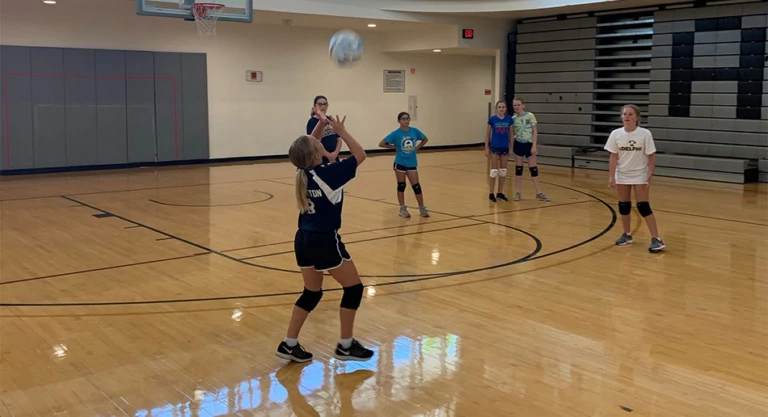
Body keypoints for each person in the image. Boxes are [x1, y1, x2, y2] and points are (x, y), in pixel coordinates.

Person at [276, 111, 374, 363]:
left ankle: (289, 343)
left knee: (312, 293)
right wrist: (342, 133)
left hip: (303, 239)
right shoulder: (329, 175)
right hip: (324, 241)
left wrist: (321, 123)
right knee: (354, 289)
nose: (320, 139)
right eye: (318, 142)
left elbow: (308, 142)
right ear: (317, 152)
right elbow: (361, 155)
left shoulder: (303, 172)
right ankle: (345, 345)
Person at [605, 104, 666, 253]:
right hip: (623, 174)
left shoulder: (645, 134)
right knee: (624, 206)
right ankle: (627, 235)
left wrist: (649, 174)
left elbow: (651, 156)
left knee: (643, 206)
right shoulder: (615, 134)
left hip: (640, 174)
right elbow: (613, 156)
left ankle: (656, 239)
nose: (627, 116)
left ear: (637, 117)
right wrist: (611, 177)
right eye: (624, 114)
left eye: (630, 114)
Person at [378, 112, 430, 218]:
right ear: (399, 121)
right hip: (400, 163)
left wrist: (417, 148)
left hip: (411, 163)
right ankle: (402, 208)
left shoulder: (415, 131)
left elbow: (425, 139)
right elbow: (382, 143)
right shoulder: (396, 133)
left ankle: (422, 208)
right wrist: (393, 147)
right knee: (402, 186)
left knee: (416, 186)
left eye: (407, 118)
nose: (406, 121)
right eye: (403, 119)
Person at [511, 98, 549, 202]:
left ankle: (539, 193)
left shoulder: (530, 116)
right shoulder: (513, 119)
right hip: (518, 144)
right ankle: (518, 192)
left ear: (523, 105)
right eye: (515, 105)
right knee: (519, 169)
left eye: (518, 105)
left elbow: (535, 132)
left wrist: (534, 146)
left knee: (533, 169)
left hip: (529, 144)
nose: (516, 107)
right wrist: (511, 146)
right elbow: (512, 133)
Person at [485, 100, 513, 202]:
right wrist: (486, 148)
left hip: (505, 147)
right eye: (499, 107)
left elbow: (511, 134)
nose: (501, 109)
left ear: (505, 109)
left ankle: (500, 193)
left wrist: (511, 147)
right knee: (494, 171)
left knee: (503, 171)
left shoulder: (509, 120)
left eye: (503, 107)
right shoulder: (492, 119)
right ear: (496, 108)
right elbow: (487, 134)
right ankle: (491, 193)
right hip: (494, 148)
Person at [305, 95, 342, 164]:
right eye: (320, 104)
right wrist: (328, 155)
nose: (323, 106)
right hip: (321, 159)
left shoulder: (330, 119)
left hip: (334, 157)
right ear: (315, 106)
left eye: (325, 104)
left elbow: (339, 139)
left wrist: (335, 153)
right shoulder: (312, 122)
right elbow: (313, 143)